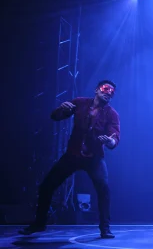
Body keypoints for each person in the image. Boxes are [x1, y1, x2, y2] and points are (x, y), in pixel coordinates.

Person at [19, 80, 120, 239]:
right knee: (47, 186)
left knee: (104, 190)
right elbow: (56, 116)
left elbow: (115, 137)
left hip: (94, 158)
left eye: (112, 92)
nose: (108, 92)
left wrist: (110, 141)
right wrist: (62, 109)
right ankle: (39, 223)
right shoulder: (80, 103)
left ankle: (105, 228)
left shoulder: (112, 114)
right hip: (73, 155)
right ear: (96, 90)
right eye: (106, 89)